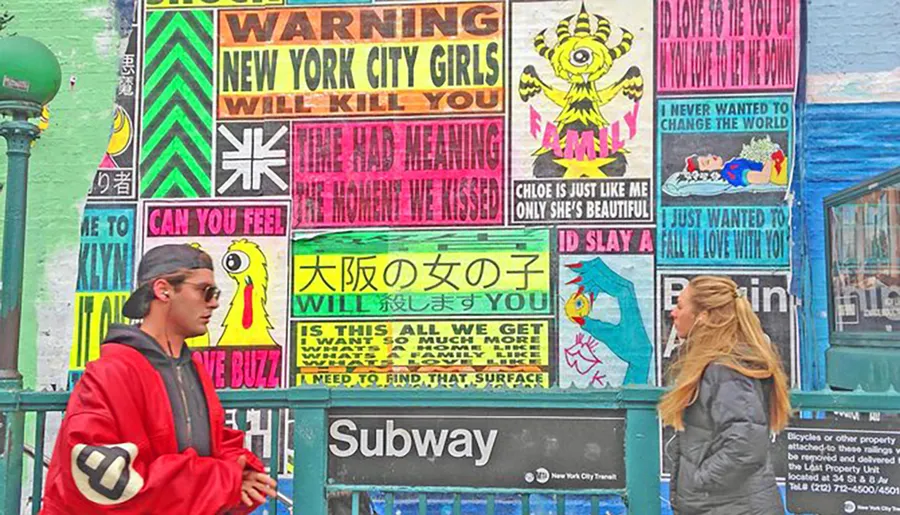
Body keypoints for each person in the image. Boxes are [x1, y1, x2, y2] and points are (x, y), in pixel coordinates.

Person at [41, 244, 278, 514]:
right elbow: (106, 480)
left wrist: (242, 472)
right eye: (205, 291)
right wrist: (223, 478)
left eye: (215, 293)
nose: (214, 301)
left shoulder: (192, 368)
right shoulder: (111, 372)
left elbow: (217, 446)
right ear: (163, 290)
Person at [659, 276, 791, 515]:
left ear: (704, 317)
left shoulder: (725, 367)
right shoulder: (718, 362)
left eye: (680, 306)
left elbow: (747, 443)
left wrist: (701, 480)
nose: (673, 313)